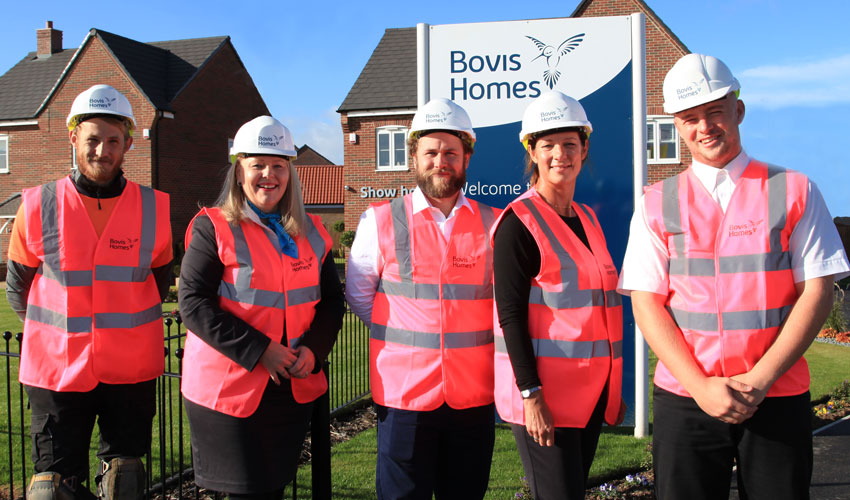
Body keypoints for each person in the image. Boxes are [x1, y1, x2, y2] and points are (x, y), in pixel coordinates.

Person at [618, 53, 850, 500]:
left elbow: (816, 293)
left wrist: (759, 381)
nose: (703, 127)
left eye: (714, 112)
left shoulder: (794, 189)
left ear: (737, 110)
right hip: (687, 396)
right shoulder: (655, 202)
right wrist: (701, 387)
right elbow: (646, 303)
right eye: (689, 118)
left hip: (775, 393)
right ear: (677, 127)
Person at [4, 84, 173, 500]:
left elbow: (160, 279)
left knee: (126, 478)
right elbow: (17, 287)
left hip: (130, 369)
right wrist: (52, 334)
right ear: (73, 138)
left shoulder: (154, 208)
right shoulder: (39, 204)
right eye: (93, 139)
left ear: (128, 144)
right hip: (55, 371)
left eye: (113, 141)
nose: (102, 151)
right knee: (51, 485)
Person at [178, 115, 344, 500]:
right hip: (229, 391)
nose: (268, 175)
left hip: (290, 388)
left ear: (290, 173)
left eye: (278, 166)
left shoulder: (313, 231)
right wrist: (261, 352)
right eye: (257, 166)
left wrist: (314, 351)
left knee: (272, 490)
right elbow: (192, 303)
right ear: (239, 172)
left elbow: (333, 302)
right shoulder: (213, 227)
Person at [346, 98, 499, 500]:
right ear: (414, 156)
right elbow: (361, 299)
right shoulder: (378, 220)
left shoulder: (495, 223)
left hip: (473, 396)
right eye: (430, 152)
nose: (440, 161)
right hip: (404, 398)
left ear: (466, 157)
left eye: (451, 152)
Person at [491, 91, 625, 500]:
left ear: (584, 148)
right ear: (532, 151)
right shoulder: (518, 223)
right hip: (545, 402)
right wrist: (531, 396)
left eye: (570, 144)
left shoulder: (587, 218)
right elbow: (509, 317)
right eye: (547, 145)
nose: (560, 155)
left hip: (586, 398)